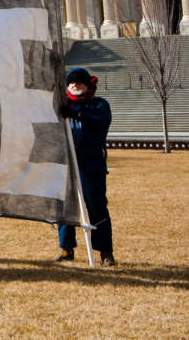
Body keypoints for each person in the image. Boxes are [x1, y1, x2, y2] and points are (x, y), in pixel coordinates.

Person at [57, 67, 114, 266]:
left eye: (79, 82)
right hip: (67, 164)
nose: (75, 85)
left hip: (91, 165)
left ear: (88, 84)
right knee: (64, 207)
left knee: (97, 208)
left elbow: (100, 122)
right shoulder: (62, 106)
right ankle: (66, 248)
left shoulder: (99, 105)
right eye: (71, 82)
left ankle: (105, 252)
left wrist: (76, 114)